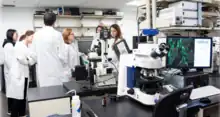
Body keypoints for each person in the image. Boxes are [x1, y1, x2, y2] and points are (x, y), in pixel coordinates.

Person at [30, 12, 66, 87]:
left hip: (42, 71)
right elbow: (62, 55)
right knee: (57, 94)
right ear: (54, 22)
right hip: (55, 71)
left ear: (43, 21)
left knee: (45, 95)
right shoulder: (58, 34)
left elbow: (33, 55)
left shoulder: (37, 35)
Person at [7, 30, 36, 117]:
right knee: (17, 97)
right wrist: (29, 60)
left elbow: (32, 60)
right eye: (32, 37)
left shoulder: (28, 47)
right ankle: (15, 115)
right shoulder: (19, 45)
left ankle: (22, 114)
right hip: (18, 75)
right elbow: (22, 59)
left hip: (24, 74)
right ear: (27, 36)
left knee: (23, 96)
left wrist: (29, 60)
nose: (33, 38)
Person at [2, 29, 18, 115]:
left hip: (10, 72)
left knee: (11, 91)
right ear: (11, 35)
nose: (17, 35)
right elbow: (9, 61)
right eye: (16, 34)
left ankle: (11, 109)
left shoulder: (10, 44)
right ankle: (10, 110)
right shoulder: (9, 45)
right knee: (11, 91)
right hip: (11, 72)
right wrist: (15, 71)